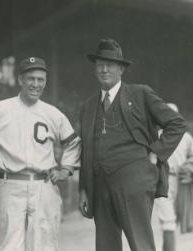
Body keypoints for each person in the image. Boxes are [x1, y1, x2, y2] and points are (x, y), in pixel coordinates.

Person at [78, 38, 186, 251]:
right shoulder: (88, 106)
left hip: (135, 181)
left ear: (121, 69)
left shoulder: (140, 94)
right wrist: (84, 188)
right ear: (95, 70)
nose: (104, 69)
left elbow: (176, 123)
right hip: (100, 187)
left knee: (141, 244)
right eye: (100, 65)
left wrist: (155, 154)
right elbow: (86, 151)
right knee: (106, 246)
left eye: (110, 64)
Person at [0, 57, 81, 251]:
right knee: (7, 247)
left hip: (43, 186)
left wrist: (66, 169)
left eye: (41, 79)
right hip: (9, 185)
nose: (36, 84)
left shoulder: (52, 113)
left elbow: (73, 143)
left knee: (44, 246)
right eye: (31, 78)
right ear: (20, 80)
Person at [154, 103, 193, 251]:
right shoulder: (156, 136)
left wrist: (188, 168)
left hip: (181, 181)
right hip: (162, 179)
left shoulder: (186, 137)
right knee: (168, 221)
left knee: (175, 220)